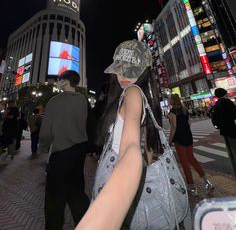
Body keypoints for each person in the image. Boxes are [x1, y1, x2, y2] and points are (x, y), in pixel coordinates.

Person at [77, 40, 164, 229]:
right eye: (120, 68)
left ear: (145, 71)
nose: (123, 74)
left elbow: (130, 146)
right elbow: (147, 149)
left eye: (131, 69)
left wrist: (106, 214)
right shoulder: (138, 97)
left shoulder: (132, 92)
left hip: (121, 188)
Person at [39, 70, 90, 230]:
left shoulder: (54, 101)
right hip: (78, 153)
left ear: (66, 81)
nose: (58, 82)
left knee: (55, 201)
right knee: (76, 193)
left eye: (60, 80)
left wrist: (43, 146)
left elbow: (46, 131)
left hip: (60, 153)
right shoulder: (83, 100)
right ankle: (87, 225)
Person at [168, 93, 214, 196]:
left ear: (173, 100)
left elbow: (173, 127)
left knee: (185, 163)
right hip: (188, 136)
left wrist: (169, 140)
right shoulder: (184, 109)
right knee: (192, 159)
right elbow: (189, 123)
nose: (168, 100)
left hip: (179, 138)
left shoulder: (172, 112)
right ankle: (207, 182)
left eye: (169, 99)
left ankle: (192, 187)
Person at [213, 88, 236, 177]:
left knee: (230, 150)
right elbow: (234, 114)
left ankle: (234, 169)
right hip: (231, 129)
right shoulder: (227, 103)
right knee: (234, 149)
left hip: (224, 130)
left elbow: (215, 118)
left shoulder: (217, 104)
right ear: (224, 94)